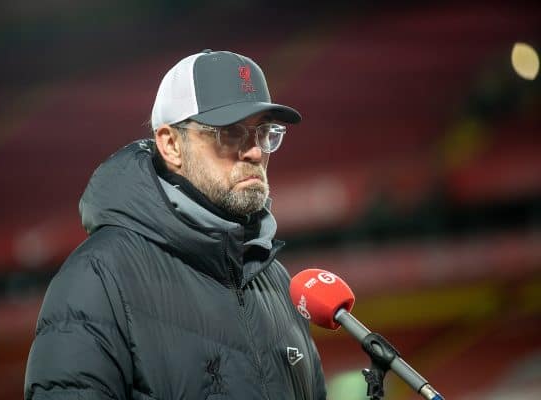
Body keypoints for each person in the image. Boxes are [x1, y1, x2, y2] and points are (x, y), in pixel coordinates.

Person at [24, 49, 327, 400]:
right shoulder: (99, 276)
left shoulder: (277, 283)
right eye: (230, 134)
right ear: (170, 144)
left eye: (264, 133)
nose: (256, 152)